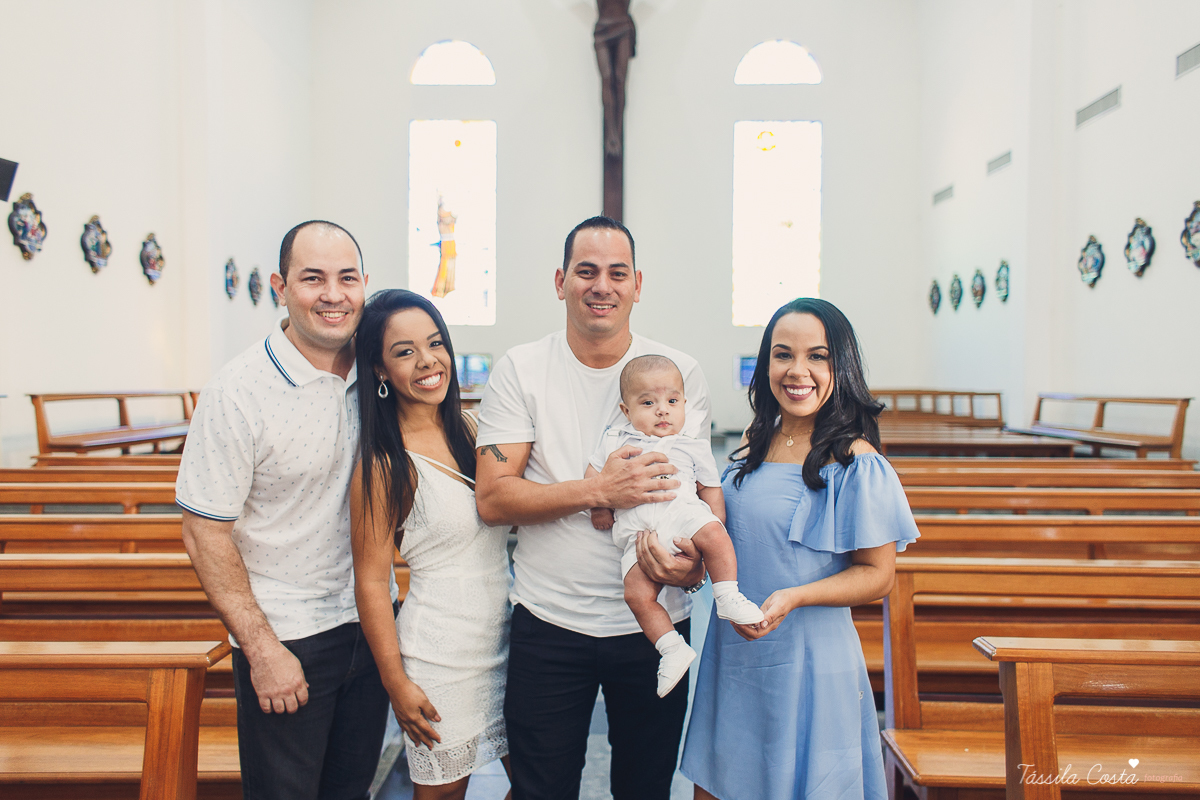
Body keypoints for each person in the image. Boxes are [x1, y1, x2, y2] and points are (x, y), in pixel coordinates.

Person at [474, 216, 709, 800]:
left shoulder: (679, 373)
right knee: (540, 789)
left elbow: (702, 490)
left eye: (616, 272)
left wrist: (697, 566)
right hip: (549, 621)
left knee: (645, 787)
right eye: (586, 271)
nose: (601, 285)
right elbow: (494, 496)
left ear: (637, 285)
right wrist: (600, 491)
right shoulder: (522, 368)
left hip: (655, 622)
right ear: (561, 282)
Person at [177, 220, 394, 800]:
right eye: (312, 278)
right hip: (289, 636)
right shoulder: (237, 391)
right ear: (280, 286)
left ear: (365, 285)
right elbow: (204, 533)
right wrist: (262, 649)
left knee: (351, 792)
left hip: (370, 624)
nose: (332, 294)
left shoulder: (379, 373)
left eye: (347, 278)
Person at [679, 297, 920, 800]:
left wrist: (795, 597)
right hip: (736, 653)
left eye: (818, 356)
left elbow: (878, 574)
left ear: (841, 365)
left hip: (808, 656)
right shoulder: (753, 441)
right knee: (721, 786)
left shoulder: (856, 459)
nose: (798, 371)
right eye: (783, 354)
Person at [350, 289, 512, 800]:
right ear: (379, 369)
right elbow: (373, 581)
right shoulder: (383, 464)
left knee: (540, 784)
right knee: (442, 794)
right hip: (441, 657)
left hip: (506, 642)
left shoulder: (473, 428)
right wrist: (396, 683)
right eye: (404, 352)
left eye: (435, 343)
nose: (428, 361)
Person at [585, 355, 764, 698]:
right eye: (648, 403)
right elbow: (594, 479)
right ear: (626, 411)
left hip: (682, 515)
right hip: (639, 532)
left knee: (715, 535)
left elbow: (710, 487)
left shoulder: (692, 444)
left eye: (672, 401)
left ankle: (727, 595)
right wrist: (599, 507)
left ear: (685, 404)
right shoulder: (615, 440)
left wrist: (715, 523)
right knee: (636, 594)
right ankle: (671, 648)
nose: (662, 411)